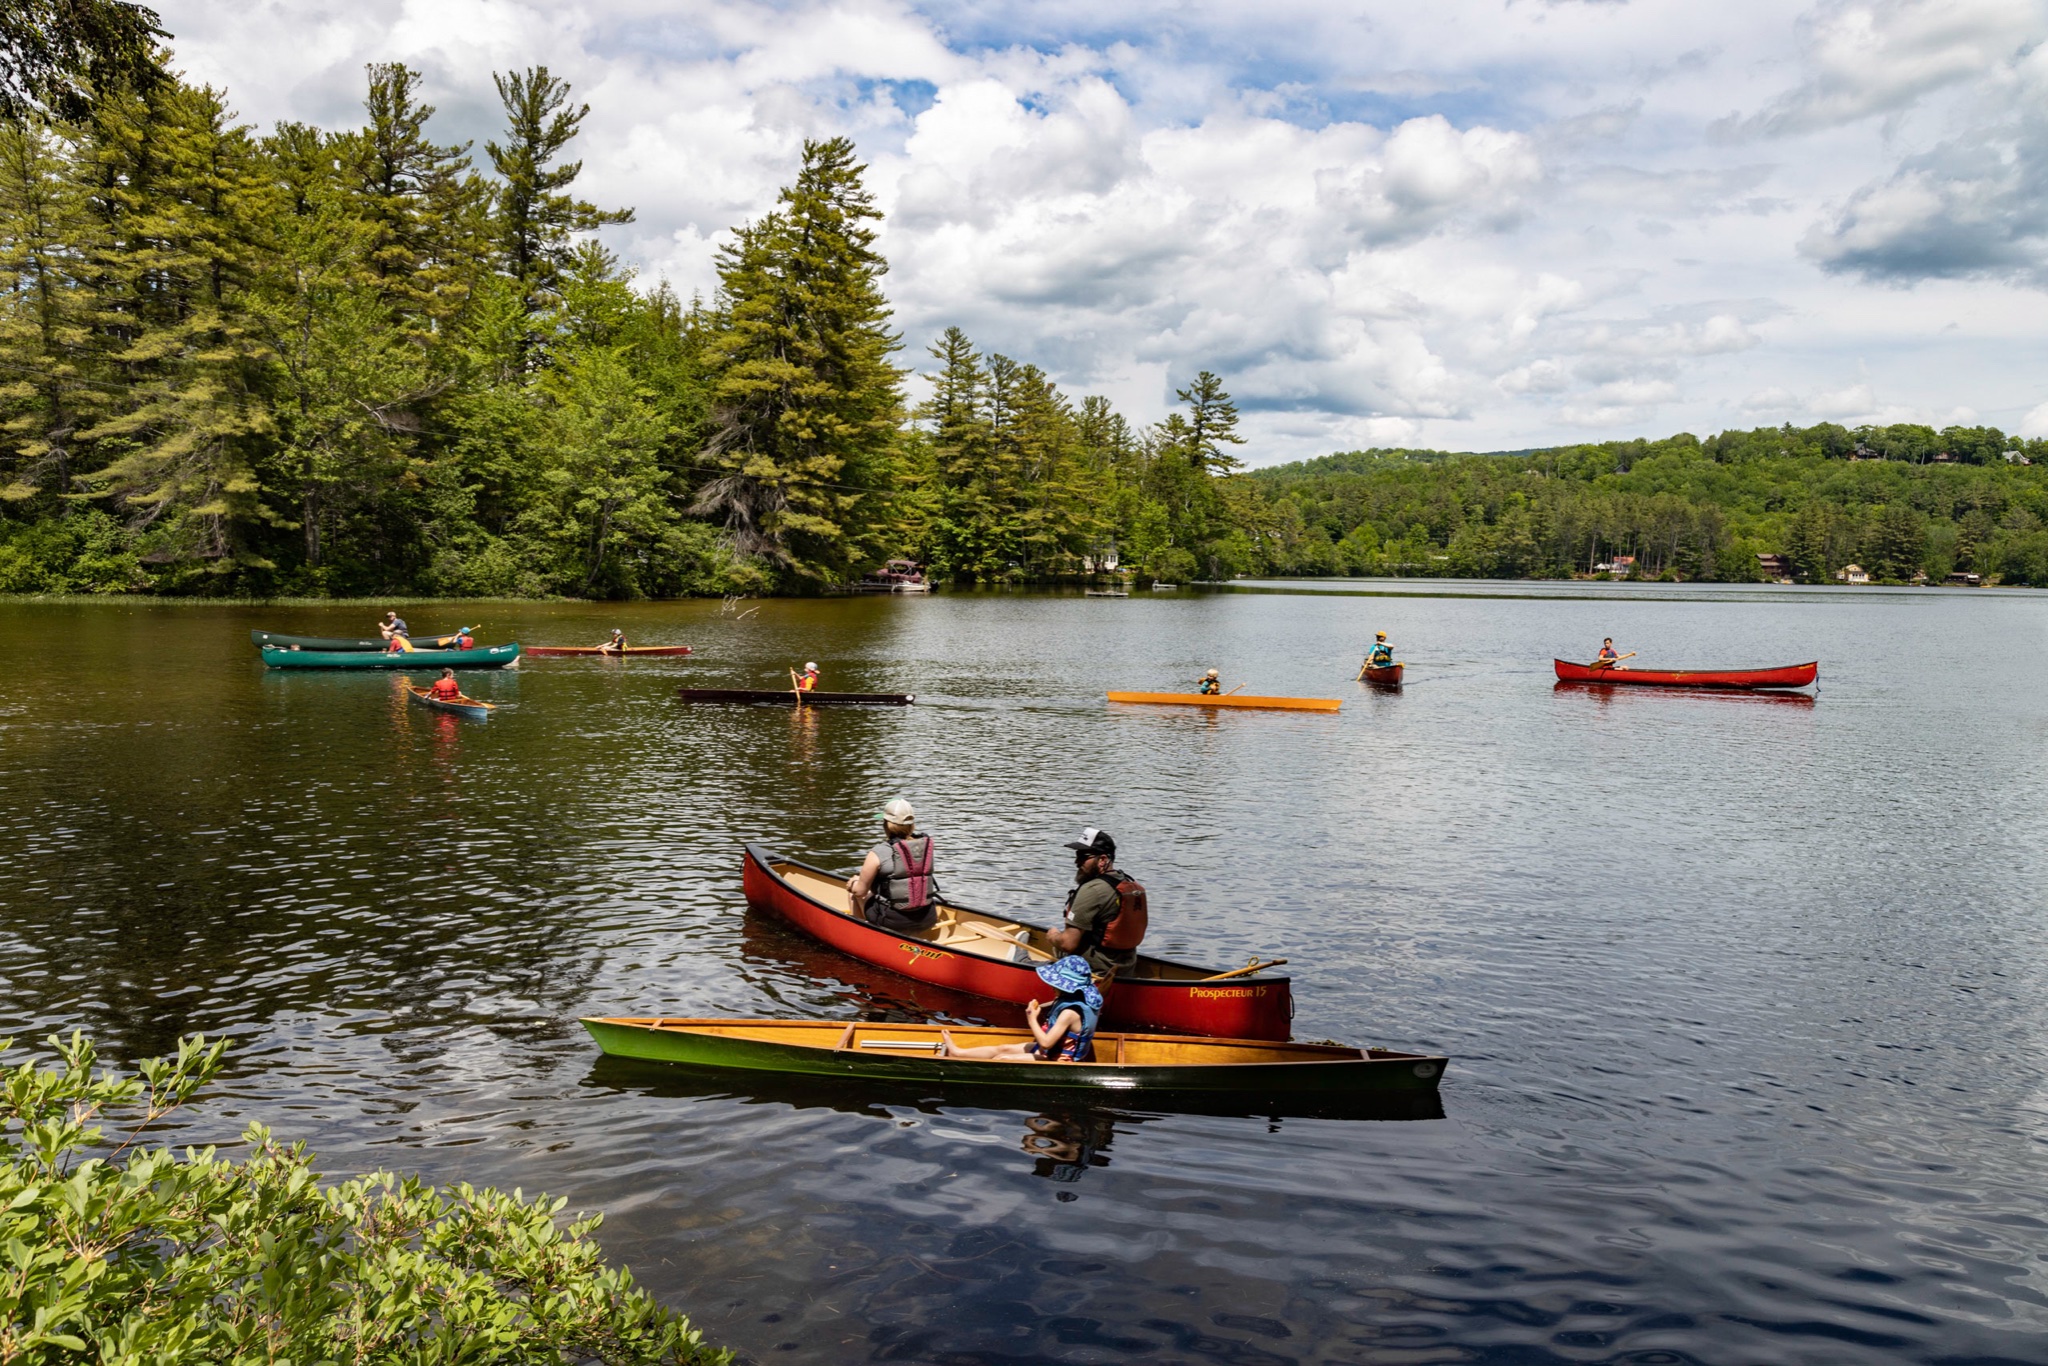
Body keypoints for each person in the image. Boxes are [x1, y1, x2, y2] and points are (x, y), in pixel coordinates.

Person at [940, 956, 1100, 1063]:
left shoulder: (1069, 1014)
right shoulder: (1080, 999)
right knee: (1003, 1048)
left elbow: (1046, 1043)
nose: (1052, 986)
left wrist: (1032, 1019)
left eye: (1055, 983)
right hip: (1050, 1051)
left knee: (1002, 1058)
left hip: (1057, 1058)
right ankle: (958, 1054)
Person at [1052, 828, 1137, 979]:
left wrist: (1052, 936)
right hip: (1125, 970)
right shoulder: (1128, 883)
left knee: (1026, 958)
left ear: (1102, 860)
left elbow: (1068, 944)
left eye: (1083, 856)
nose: (1076, 862)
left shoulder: (1092, 890)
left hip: (1092, 973)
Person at [846, 798, 938, 933]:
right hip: (928, 918)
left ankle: (861, 934)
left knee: (854, 891)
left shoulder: (878, 852)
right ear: (912, 825)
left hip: (893, 922)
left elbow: (860, 891)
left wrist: (852, 884)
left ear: (886, 824)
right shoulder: (924, 846)